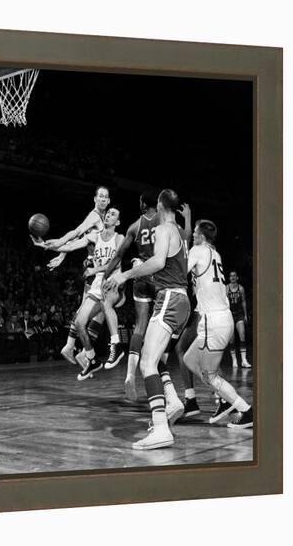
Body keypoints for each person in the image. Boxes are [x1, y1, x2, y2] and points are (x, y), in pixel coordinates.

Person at [105, 189, 191, 449]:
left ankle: (161, 428)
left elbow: (157, 261)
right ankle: (173, 402)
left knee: (147, 363)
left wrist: (124, 275)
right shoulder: (179, 232)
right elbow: (173, 269)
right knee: (153, 357)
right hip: (180, 301)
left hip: (170, 300)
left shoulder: (165, 229)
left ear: (161, 205)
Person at [183, 220, 253, 429]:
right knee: (189, 359)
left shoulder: (197, 250)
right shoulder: (215, 254)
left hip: (212, 321)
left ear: (202, 236)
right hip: (222, 318)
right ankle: (223, 399)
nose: (193, 235)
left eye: (194, 232)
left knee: (210, 375)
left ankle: (245, 410)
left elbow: (179, 272)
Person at [32, 186, 110, 365]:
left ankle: (79, 350)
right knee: (93, 312)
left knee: (97, 314)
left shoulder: (103, 219)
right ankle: (77, 349)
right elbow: (77, 232)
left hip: (98, 268)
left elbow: (79, 239)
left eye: (106, 197)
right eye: (100, 196)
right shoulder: (94, 216)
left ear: (109, 200)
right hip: (95, 269)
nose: (103, 199)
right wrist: (57, 244)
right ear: (95, 199)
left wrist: (61, 255)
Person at [46, 208, 125, 379]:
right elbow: (72, 245)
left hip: (113, 281)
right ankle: (91, 358)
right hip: (97, 283)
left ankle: (116, 345)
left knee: (106, 303)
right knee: (79, 322)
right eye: (108, 213)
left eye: (113, 214)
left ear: (117, 222)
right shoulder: (95, 236)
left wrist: (94, 269)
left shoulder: (120, 238)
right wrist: (54, 245)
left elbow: (116, 263)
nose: (108, 215)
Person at [226, 271, 251, 368]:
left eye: (234, 276)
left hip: (239, 314)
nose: (232, 277)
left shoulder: (241, 288)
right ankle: (234, 360)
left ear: (237, 277)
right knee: (231, 339)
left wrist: (245, 315)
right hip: (230, 315)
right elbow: (224, 302)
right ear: (229, 278)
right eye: (231, 276)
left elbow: (244, 301)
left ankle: (244, 360)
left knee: (242, 335)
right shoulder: (226, 288)